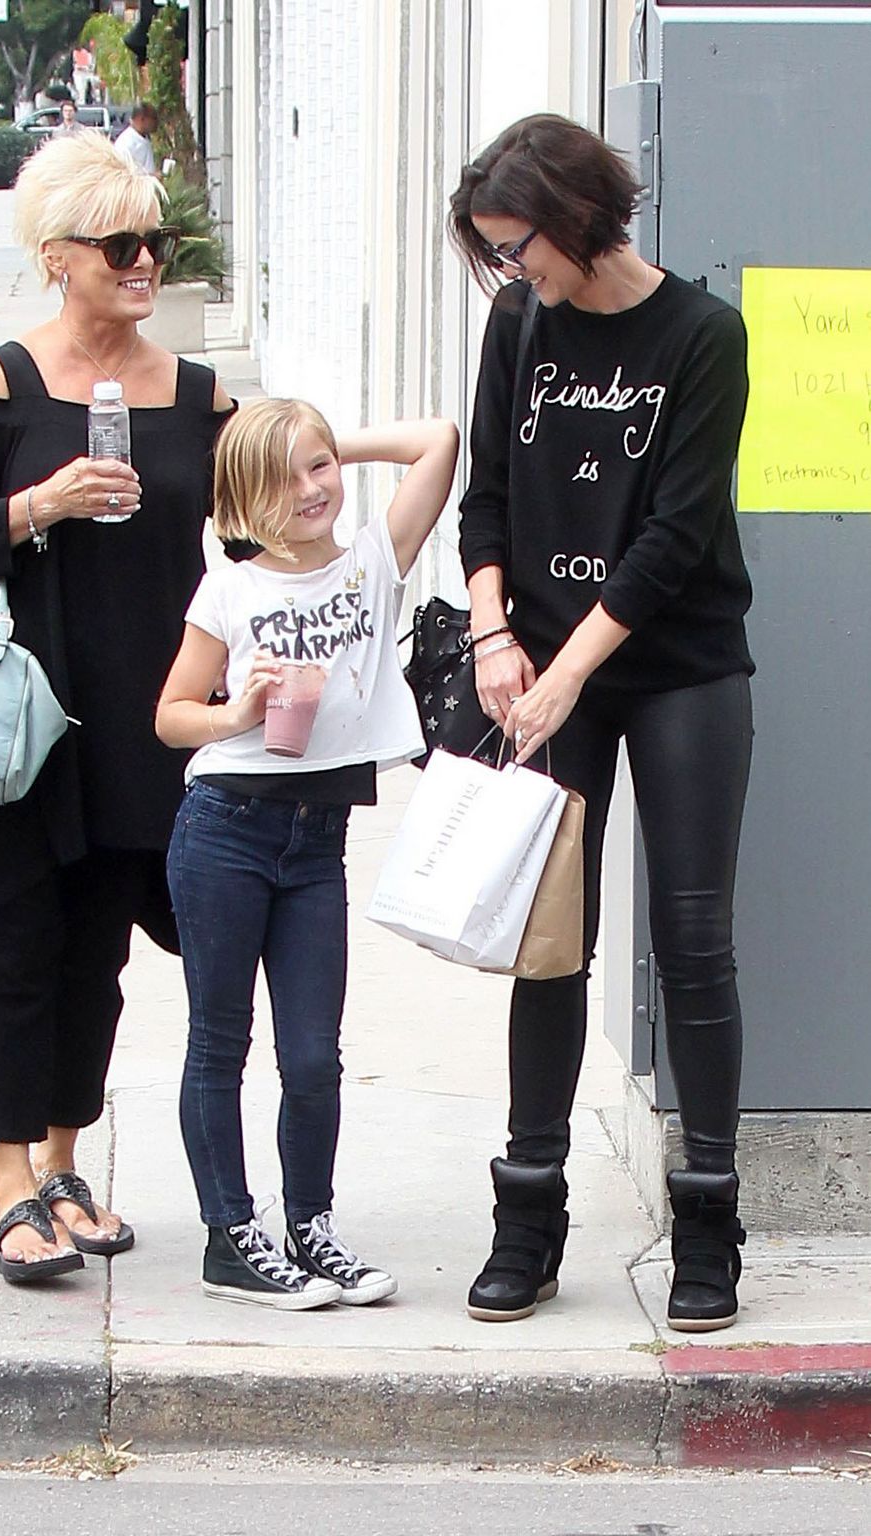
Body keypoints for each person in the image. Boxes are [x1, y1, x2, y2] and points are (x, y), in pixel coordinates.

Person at [0, 131, 235, 1285]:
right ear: (59, 255)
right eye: (119, 244)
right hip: (13, 710)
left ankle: (60, 1164)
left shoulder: (198, 394)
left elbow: (251, 539)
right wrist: (36, 504)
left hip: (140, 710)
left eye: (155, 240)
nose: (144, 260)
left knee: (98, 954)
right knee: (12, 946)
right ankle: (8, 1186)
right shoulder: (5, 379)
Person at [449, 113, 754, 1332]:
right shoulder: (520, 322)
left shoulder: (703, 333)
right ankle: (527, 1216)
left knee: (692, 943)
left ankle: (708, 1225)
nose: (507, 271)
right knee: (547, 944)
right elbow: (488, 495)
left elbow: (674, 541)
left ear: (577, 220)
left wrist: (568, 671)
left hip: (677, 668)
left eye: (516, 246)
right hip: (537, 665)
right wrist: (491, 633)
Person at [155, 400, 458, 1309]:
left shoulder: (370, 563)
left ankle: (310, 1226)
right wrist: (237, 712)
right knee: (220, 1040)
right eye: (281, 479)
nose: (309, 491)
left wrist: (318, 436)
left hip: (316, 841)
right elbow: (171, 716)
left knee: (313, 1054)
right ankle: (230, 1234)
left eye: (318, 469)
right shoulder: (230, 590)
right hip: (225, 826)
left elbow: (437, 441)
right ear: (242, 499)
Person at [113, 102, 157, 176]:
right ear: (142, 119)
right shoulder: (125, 143)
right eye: (153, 119)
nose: (156, 123)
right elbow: (123, 174)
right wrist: (150, 176)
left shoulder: (143, 138)